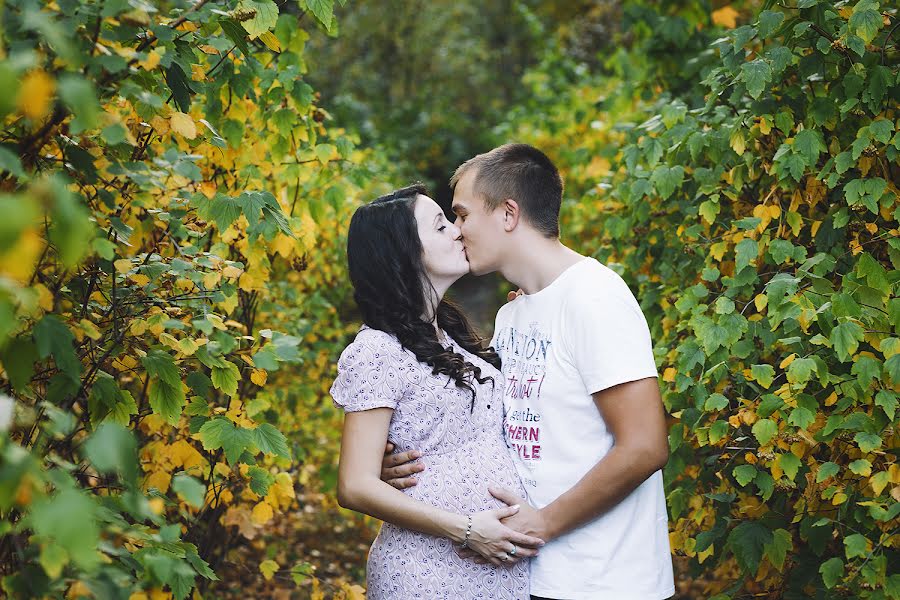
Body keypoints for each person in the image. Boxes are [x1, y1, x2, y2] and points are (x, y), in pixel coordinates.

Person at [381, 144, 675, 600]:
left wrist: (542, 524)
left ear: (508, 213)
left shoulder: (594, 298)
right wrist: (400, 460)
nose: (457, 232)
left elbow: (644, 446)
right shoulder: (513, 316)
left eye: (462, 214)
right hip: (523, 575)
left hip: (602, 581)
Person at [331, 184, 545, 600]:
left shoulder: (449, 335)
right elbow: (354, 484)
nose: (458, 231)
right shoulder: (377, 349)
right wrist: (465, 529)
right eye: (441, 226)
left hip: (496, 568)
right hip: (429, 570)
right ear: (405, 254)